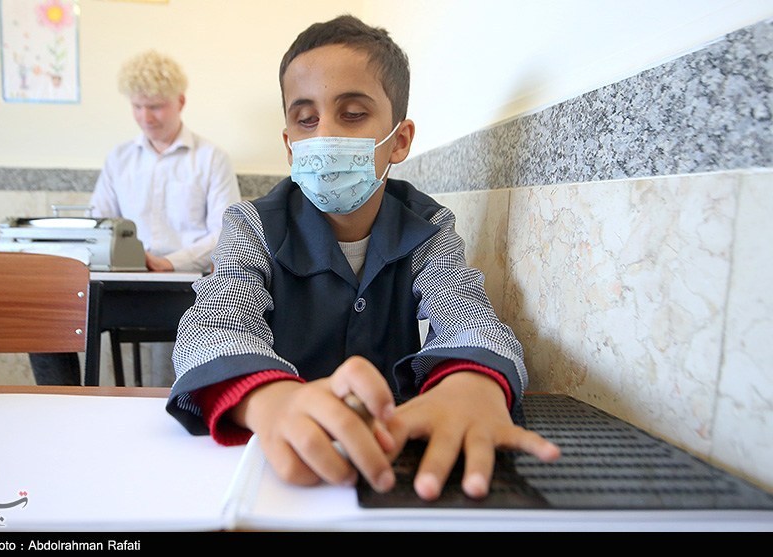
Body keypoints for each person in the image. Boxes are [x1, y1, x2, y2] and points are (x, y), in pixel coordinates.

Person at [166, 15, 560, 502]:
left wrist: (472, 382)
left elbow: (468, 316)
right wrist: (267, 398)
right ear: (289, 144)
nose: (325, 135)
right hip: (279, 470)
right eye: (306, 119)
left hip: (388, 458)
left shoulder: (428, 227)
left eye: (352, 114)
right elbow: (212, 327)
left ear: (399, 139)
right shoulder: (252, 225)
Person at [30, 49, 241, 387]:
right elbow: (99, 225)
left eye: (155, 106)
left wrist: (169, 263)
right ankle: (63, 400)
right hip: (121, 283)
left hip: (188, 286)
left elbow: (225, 233)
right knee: (45, 314)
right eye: (137, 106)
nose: (146, 117)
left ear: (180, 101)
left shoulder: (211, 158)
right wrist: (127, 256)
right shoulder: (120, 158)